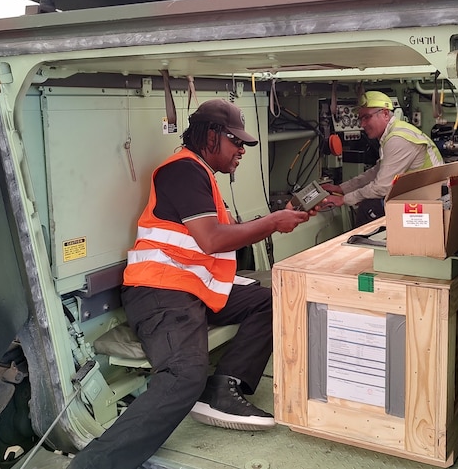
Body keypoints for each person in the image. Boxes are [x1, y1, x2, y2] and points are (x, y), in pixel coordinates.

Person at [68, 98, 316, 469]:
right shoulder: (182, 171)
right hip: (159, 291)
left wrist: (280, 217)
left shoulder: (200, 175)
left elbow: (219, 236)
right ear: (212, 136)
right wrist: (271, 223)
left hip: (193, 287)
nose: (241, 152)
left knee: (270, 299)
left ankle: (223, 387)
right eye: (236, 142)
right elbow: (212, 240)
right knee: (183, 375)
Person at [322, 90, 444, 226]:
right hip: (425, 196)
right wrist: (341, 188)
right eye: (360, 118)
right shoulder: (395, 133)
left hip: (428, 203)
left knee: (368, 208)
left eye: (367, 117)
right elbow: (377, 171)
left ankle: (365, 246)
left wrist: (344, 199)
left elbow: (381, 188)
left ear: (385, 114)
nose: (362, 124)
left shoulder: (398, 139)